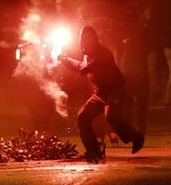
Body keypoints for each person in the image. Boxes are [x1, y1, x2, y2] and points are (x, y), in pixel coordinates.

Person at [57, 25, 145, 163]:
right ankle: (93, 151)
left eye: (91, 37)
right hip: (100, 94)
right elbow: (80, 66)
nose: (88, 40)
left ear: (95, 38)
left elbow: (84, 69)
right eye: (85, 38)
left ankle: (137, 138)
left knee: (111, 116)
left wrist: (66, 60)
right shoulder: (86, 56)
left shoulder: (103, 52)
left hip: (115, 91)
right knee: (82, 116)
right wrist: (64, 59)